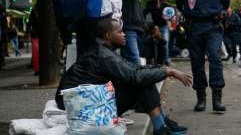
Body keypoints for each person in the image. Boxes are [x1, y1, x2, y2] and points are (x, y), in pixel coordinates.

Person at [55, 16, 192, 135]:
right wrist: (168, 72)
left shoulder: (104, 50)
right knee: (140, 82)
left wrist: (163, 69)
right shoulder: (104, 55)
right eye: (119, 32)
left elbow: (134, 68)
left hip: (86, 98)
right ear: (108, 36)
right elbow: (135, 75)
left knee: (143, 78)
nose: (124, 34)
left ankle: (162, 123)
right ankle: (161, 127)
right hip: (79, 104)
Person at [176, 0, 230, 113]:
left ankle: (217, 98)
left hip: (213, 26)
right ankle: (201, 97)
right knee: (197, 63)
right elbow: (180, 3)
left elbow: (226, 3)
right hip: (194, 27)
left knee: (215, 59)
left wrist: (221, 15)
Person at [144, 0, 170, 65]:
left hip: (163, 25)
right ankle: (154, 60)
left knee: (165, 42)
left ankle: (166, 60)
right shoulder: (150, 3)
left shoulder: (164, 4)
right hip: (155, 26)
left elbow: (169, 13)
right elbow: (145, 12)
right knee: (153, 43)